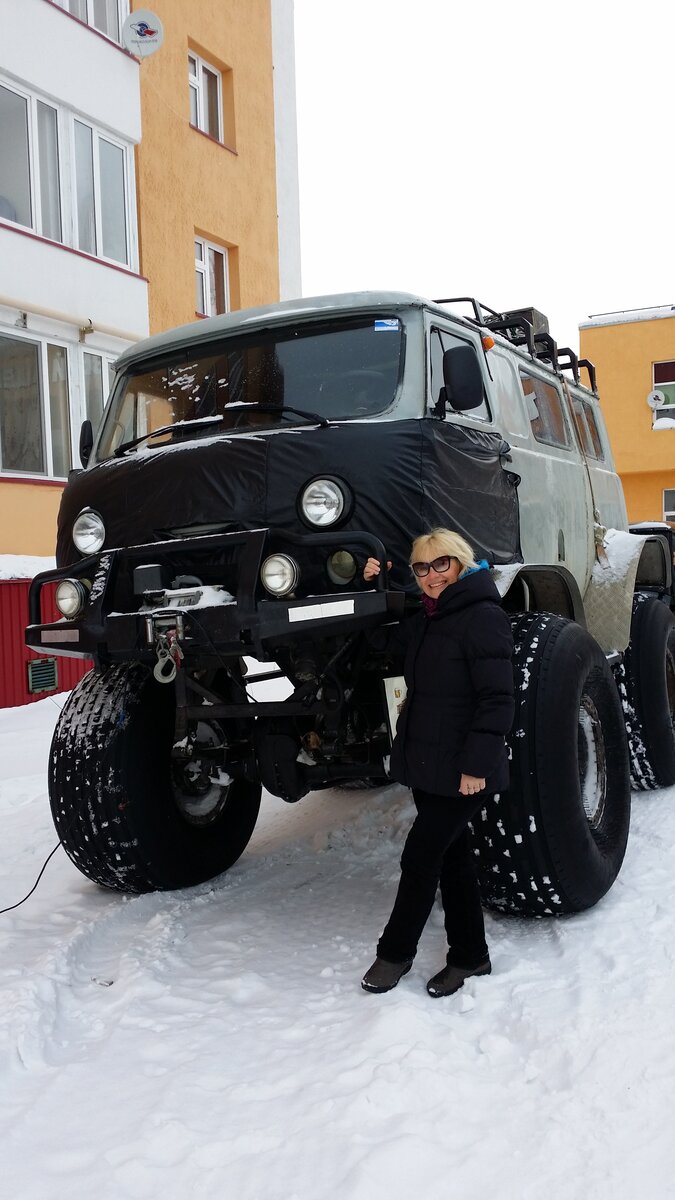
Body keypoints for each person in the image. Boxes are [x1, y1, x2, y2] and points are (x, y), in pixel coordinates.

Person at [361, 528, 515, 998]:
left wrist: (476, 767)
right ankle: (471, 956)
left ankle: (395, 953)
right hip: (430, 764)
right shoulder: (432, 617)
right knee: (453, 858)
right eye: (422, 568)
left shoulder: (482, 617)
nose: (431, 577)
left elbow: (497, 700)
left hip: (464, 769)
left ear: (462, 563)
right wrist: (376, 584)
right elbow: (380, 638)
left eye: (441, 565)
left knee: (421, 853)